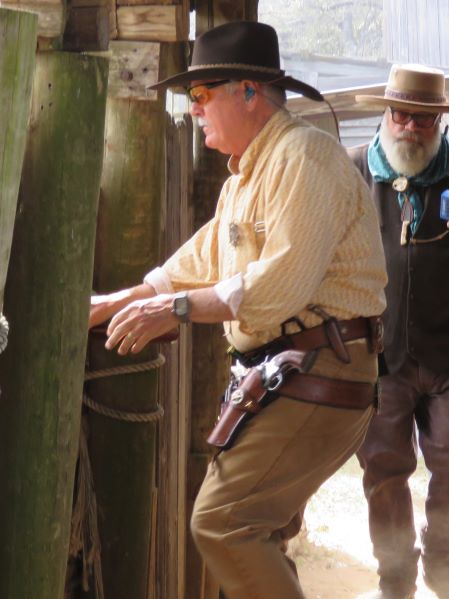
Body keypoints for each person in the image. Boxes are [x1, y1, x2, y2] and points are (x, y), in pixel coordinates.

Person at [91, 21, 387, 599]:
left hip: (320, 371)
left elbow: (279, 285)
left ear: (249, 92)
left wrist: (174, 309)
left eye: (202, 94)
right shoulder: (246, 177)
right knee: (253, 530)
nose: (194, 108)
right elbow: (198, 260)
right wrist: (113, 303)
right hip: (294, 373)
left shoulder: (303, 155)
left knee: (223, 522)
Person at [349, 63, 449, 599]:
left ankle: (444, 567)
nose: (410, 127)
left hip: (448, 357)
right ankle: (395, 579)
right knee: (383, 471)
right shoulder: (352, 173)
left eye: (423, 119)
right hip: (379, 357)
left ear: (440, 122)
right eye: (401, 115)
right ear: (386, 114)